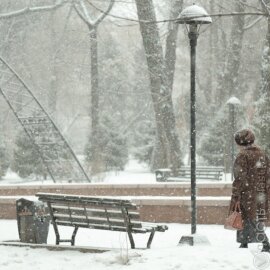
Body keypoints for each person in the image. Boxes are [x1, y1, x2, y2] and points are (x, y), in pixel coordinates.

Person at [229, 129, 270, 252]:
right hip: (261, 191)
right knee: (253, 216)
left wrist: (236, 194)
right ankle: (244, 242)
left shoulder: (243, 156)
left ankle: (265, 242)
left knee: (248, 217)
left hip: (247, 193)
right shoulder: (262, 154)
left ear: (240, 142)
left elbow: (239, 177)